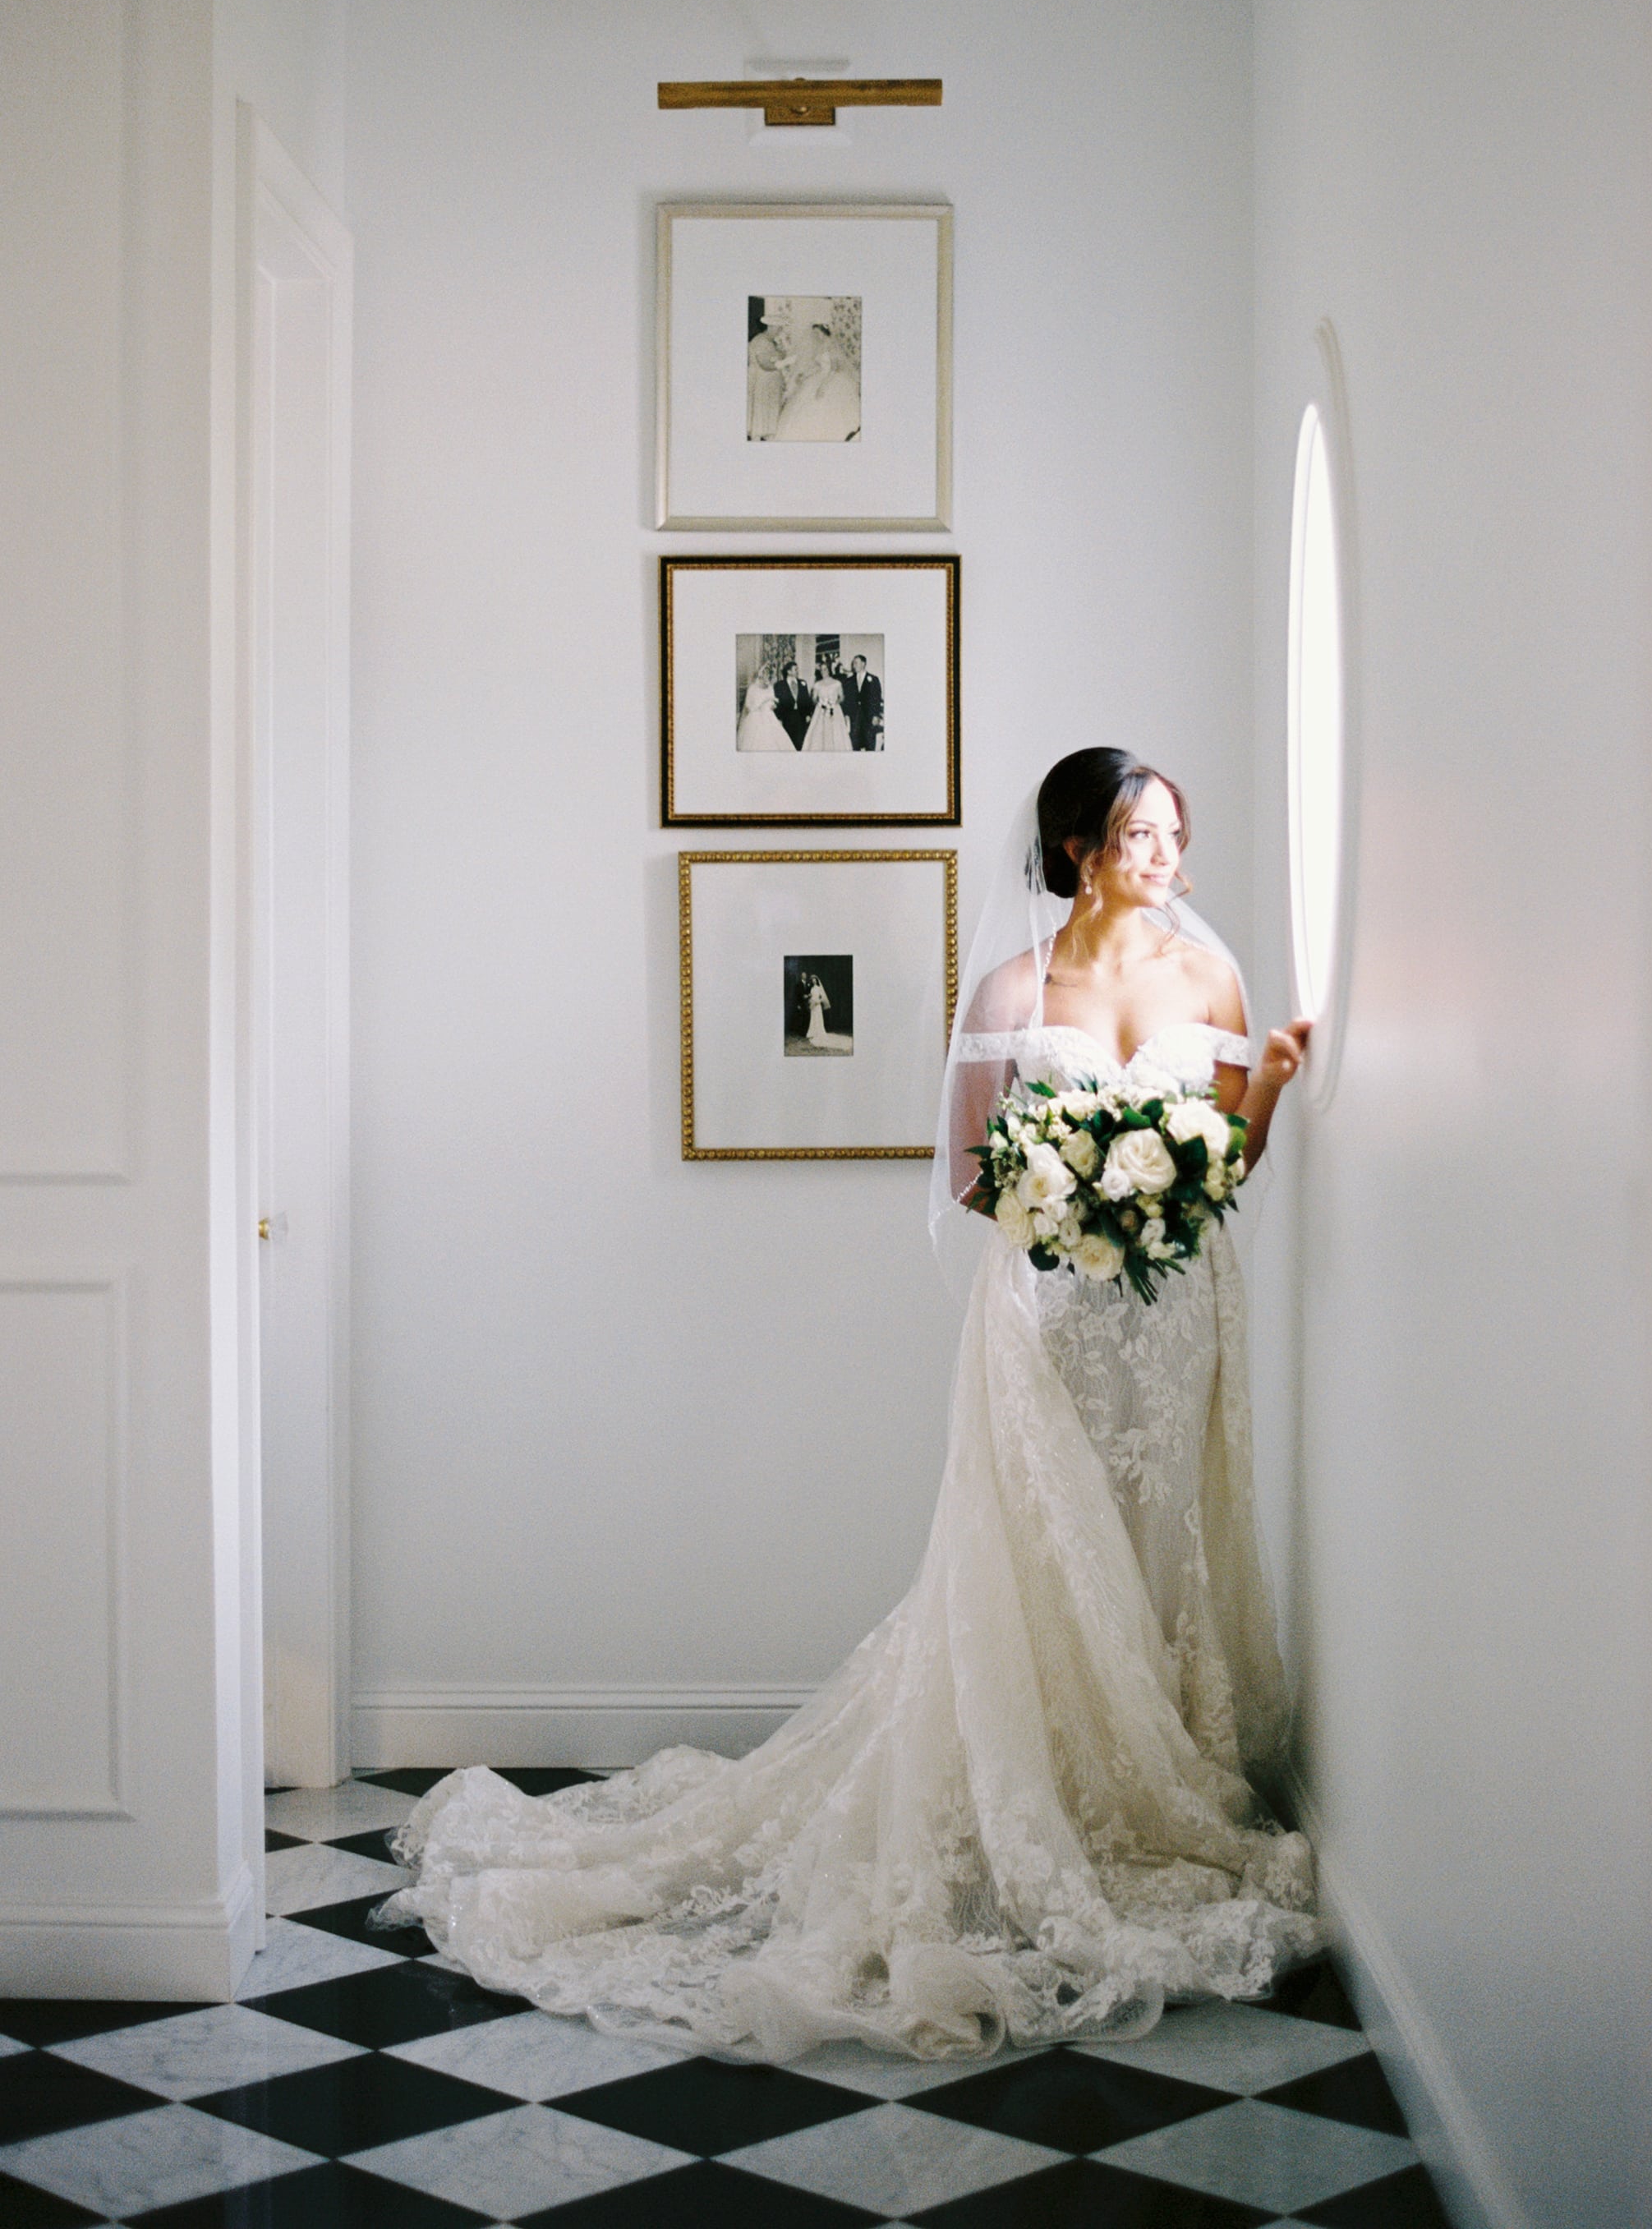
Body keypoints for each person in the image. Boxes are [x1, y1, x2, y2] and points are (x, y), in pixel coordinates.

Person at [375, 748, 1319, 2066]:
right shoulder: (1011, 987)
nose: (1161, 857)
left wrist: (1265, 1079)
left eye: (1171, 831)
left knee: (1161, 1539)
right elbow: (971, 1176)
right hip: (1042, 1313)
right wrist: (1080, 1196)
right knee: (1041, 1556)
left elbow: (1222, 1161)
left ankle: (1155, 1773)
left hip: (1171, 1317)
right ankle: (1041, 1785)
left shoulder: (1206, 978)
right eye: (1133, 835)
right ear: (1072, 851)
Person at [773, 323, 861, 442]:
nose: (815, 336)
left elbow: (834, 369)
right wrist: (806, 375)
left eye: (817, 333)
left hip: (832, 379)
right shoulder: (819, 346)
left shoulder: (832, 346)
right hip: (819, 377)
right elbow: (819, 367)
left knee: (824, 406)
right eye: (814, 333)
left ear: (824, 332)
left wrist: (823, 387)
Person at [735, 665, 796, 753]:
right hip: (756, 718)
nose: (767, 677)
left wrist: (773, 705)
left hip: (769, 717)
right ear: (760, 675)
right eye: (765, 674)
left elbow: (772, 703)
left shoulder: (770, 688)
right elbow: (749, 707)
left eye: (769, 675)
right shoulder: (753, 688)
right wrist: (763, 701)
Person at [746, 321, 787, 440]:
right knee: (761, 414)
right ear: (770, 326)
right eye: (778, 328)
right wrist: (783, 363)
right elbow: (765, 364)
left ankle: (768, 437)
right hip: (762, 382)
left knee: (769, 413)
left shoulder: (771, 341)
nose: (780, 332)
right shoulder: (760, 341)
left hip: (770, 383)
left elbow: (779, 355)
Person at [802, 659, 852, 752]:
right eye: (821, 670)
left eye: (825, 669)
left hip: (835, 710)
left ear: (829, 670)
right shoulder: (817, 685)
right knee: (819, 734)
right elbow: (813, 699)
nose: (823, 672)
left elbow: (842, 697)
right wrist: (820, 703)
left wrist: (834, 703)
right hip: (821, 711)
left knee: (836, 733)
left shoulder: (837, 683)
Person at [844, 652, 883, 752]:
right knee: (854, 743)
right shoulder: (849, 681)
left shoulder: (873, 679)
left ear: (863, 664)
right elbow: (847, 700)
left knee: (870, 743)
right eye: (853, 663)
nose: (854, 665)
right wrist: (847, 715)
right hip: (855, 718)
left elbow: (876, 699)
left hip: (869, 717)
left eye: (856, 663)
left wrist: (876, 715)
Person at [772, 661, 812, 752]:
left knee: (800, 741)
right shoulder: (779, 685)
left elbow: (807, 700)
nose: (798, 671)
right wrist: (779, 718)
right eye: (795, 669)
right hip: (787, 717)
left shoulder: (803, 683)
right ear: (789, 672)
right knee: (788, 742)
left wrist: (808, 714)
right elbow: (777, 703)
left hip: (801, 716)